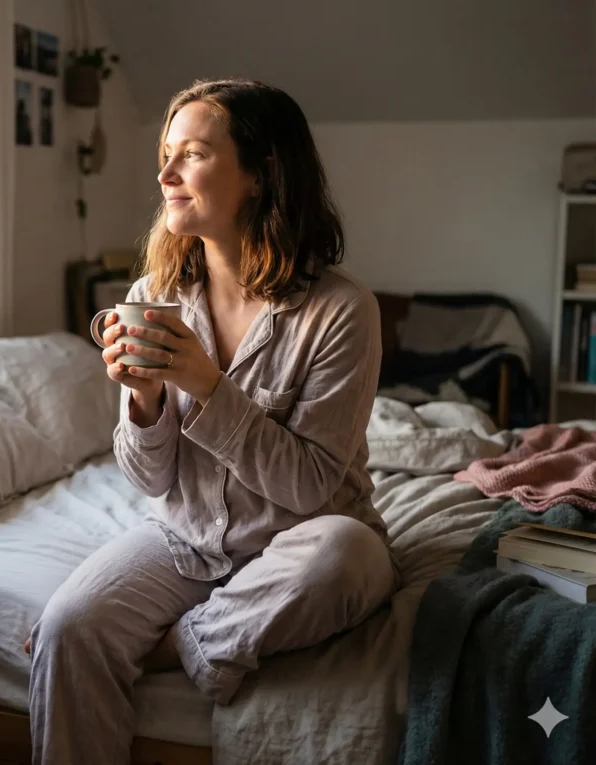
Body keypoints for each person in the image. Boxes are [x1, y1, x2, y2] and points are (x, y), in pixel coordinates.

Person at [25, 78, 400, 765]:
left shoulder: (342, 310)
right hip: (186, 537)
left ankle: (176, 646)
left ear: (261, 175)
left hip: (302, 538)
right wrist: (143, 401)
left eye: (192, 154)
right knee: (68, 625)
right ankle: (185, 634)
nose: (165, 174)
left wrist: (204, 381)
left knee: (348, 559)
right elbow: (149, 479)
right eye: (166, 155)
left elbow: (314, 486)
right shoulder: (154, 297)